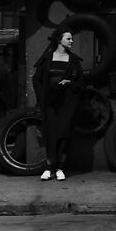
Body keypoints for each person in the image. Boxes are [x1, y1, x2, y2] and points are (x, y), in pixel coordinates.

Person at [32, 28, 85, 180]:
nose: (71, 41)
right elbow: (36, 79)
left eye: (71, 39)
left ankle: (60, 168)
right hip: (50, 102)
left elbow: (81, 82)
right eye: (68, 39)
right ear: (59, 40)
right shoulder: (48, 58)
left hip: (67, 102)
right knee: (51, 134)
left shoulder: (73, 60)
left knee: (64, 133)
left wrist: (69, 82)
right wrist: (42, 96)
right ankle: (49, 168)